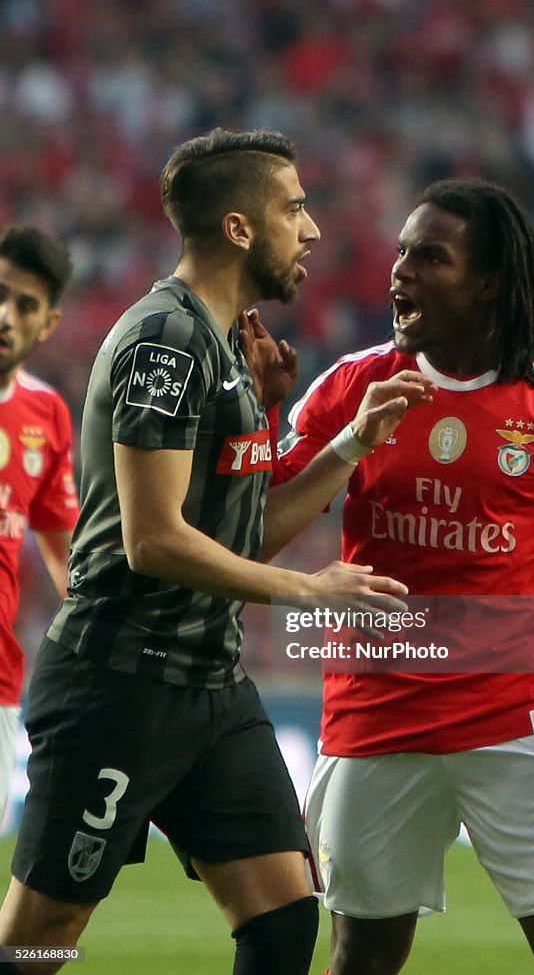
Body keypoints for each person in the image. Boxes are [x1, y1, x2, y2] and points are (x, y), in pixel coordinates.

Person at [0, 129, 435, 975]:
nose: (311, 230)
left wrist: (348, 443)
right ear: (239, 229)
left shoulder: (233, 344)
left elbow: (242, 533)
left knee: (281, 919)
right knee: (36, 943)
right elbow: (154, 539)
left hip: (210, 686)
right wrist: (307, 592)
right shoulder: (164, 342)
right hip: (118, 687)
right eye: (294, 207)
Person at [277, 179, 534, 975]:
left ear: (487, 284)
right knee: (362, 956)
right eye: (402, 252)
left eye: (428, 257)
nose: (399, 271)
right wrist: (277, 425)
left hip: (517, 723)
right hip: (373, 721)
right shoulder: (348, 386)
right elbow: (256, 529)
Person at [0, 225, 78, 823]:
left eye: (24, 305)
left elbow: (71, 566)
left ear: (47, 323)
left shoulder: (45, 414)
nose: (5, 315)